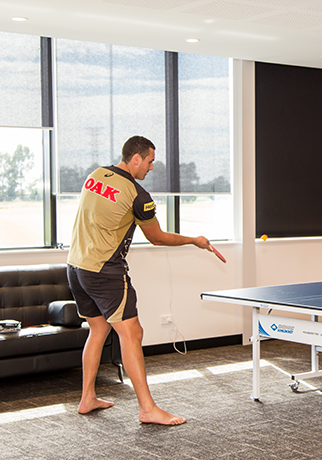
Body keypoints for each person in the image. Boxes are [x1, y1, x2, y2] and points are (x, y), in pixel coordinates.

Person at [66, 135, 212, 425]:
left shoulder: (96, 175)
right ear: (136, 159)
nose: (151, 167)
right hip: (105, 272)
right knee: (132, 334)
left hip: (76, 266)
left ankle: (87, 398)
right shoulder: (137, 195)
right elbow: (156, 238)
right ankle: (147, 409)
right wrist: (193, 240)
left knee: (98, 330)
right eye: (150, 161)